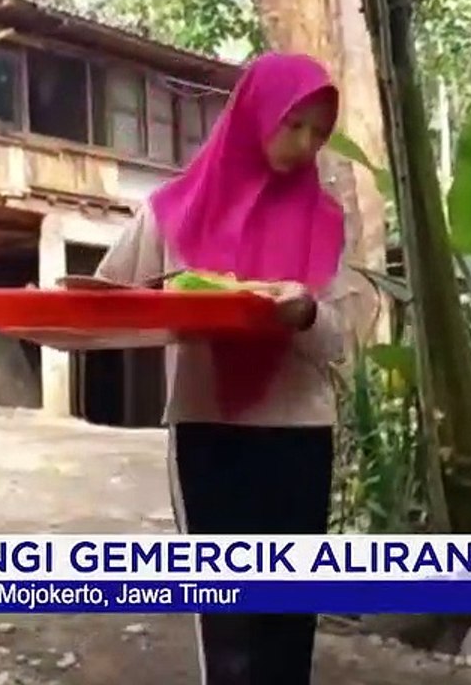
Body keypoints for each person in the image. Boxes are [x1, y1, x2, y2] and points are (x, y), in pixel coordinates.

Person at [94, 53, 356, 684]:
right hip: (208, 431)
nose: (305, 144)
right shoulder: (168, 211)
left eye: (319, 133)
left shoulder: (326, 222)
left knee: (289, 618)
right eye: (295, 124)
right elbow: (107, 296)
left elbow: (343, 340)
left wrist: (302, 314)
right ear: (256, 113)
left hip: (299, 433)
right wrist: (177, 305)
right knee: (226, 619)